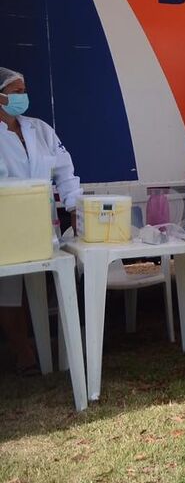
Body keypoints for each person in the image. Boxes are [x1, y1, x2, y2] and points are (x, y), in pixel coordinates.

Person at [0, 66, 82, 375]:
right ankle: (24, 353)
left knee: (50, 281)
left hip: (44, 222)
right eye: (16, 91)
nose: (23, 97)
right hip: (6, 225)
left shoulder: (39, 129)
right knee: (9, 291)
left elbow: (65, 172)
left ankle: (60, 349)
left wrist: (74, 207)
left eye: (24, 90)